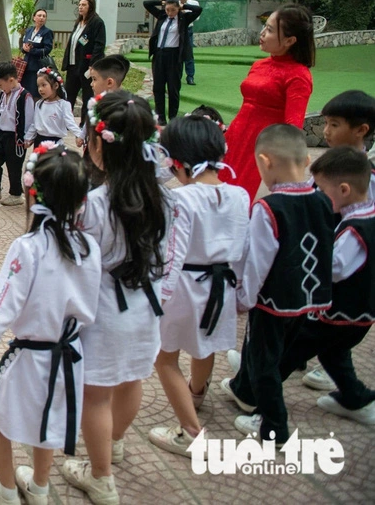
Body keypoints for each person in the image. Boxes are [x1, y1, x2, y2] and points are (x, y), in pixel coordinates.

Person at [0, 147, 102, 505]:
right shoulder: (89, 246)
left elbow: (1, 308)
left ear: (32, 192)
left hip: (31, 355)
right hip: (71, 355)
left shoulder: (28, 247)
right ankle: (39, 486)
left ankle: (7, 491)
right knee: (48, 421)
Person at [61, 91, 171, 504]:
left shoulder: (91, 205)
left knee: (97, 395)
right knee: (132, 380)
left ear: (95, 144)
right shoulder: (166, 199)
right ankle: (116, 440)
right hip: (147, 307)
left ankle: (101, 475)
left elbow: (77, 264)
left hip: (105, 313)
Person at [219, 124, 335, 442]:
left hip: (273, 302)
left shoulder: (269, 208)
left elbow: (256, 262)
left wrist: (244, 298)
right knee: (282, 353)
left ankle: (274, 425)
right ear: (307, 159)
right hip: (313, 298)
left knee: (263, 358)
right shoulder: (324, 200)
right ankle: (244, 390)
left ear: (266, 162)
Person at [148, 116, 249, 457]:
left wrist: (159, 296)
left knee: (165, 359)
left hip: (185, 285)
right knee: (204, 346)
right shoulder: (239, 194)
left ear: (176, 162)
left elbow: (172, 253)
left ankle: (190, 432)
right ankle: (196, 393)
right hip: (223, 285)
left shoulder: (180, 199)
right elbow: (244, 246)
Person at [273, 147, 375, 425]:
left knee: (291, 349)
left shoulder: (356, 228)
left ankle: (257, 397)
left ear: (343, 190)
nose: (318, 194)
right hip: (359, 314)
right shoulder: (368, 215)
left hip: (337, 313)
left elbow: (335, 269)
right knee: (334, 353)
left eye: (322, 189)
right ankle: (356, 397)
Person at [223, 4, 315, 202]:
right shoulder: (259, 65)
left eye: (270, 30)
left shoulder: (298, 75)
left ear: (290, 40)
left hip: (262, 148)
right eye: (265, 27)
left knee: (241, 201)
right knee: (220, 194)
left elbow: (293, 127)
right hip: (236, 138)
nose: (263, 33)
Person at [0, 62, 34, 207]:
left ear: (11, 80)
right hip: (2, 134)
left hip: (16, 138)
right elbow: (0, 112)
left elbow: (29, 119)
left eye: (0, 84)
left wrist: (28, 137)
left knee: (14, 166)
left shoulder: (25, 96)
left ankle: (16, 194)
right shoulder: (5, 94)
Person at [143, 0, 203, 124]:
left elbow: (198, 9)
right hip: (159, 54)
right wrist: (162, 2)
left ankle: (173, 116)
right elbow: (146, 3)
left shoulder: (183, 19)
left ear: (178, 9)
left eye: (173, 10)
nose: (170, 13)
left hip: (174, 55)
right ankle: (160, 116)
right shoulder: (162, 16)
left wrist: (183, 6)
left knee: (173, 87)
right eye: (168, 10)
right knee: (158, 87)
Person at [61, 0, 107, 124]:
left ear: (90, 6)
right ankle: (66, 122)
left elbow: (99, 45)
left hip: (86, 66)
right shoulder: (79, 22)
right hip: (73, 64)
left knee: (87, 95)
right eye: (79, 5)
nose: (80, 7)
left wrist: (93, 65)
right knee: (68, 94)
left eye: (84, 5)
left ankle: (85, 123)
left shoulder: (97, 22)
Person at [24, 68, 83, 146]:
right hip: (39, 142)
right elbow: (35, 124)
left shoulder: (63, 105)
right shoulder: (39, 103)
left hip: (55, 144)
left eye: (44, 85)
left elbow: (70, 123)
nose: (40, 89)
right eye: (38, 86)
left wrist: (80, 135)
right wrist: (27, 138)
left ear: (55, 85)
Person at [20, 8, 54, 99]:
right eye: (39, 15)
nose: (41, 18)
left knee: (34, 92)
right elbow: (23, 45)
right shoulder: (29, 30)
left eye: (44, 16)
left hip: (37, 66)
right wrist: (24, 48)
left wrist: (32, 51)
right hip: (26, 65)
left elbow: (47, 49)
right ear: (34, 17)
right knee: (24, 91)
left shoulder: (47, 32)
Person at [177, 0, 200, 85]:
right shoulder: (175, 3)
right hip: (177, 30)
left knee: (188, 53)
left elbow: (197, 17)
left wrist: (185, 10)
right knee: (178, 54)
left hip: (188, 29)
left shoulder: (194, 3)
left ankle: (190, 76)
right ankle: (178, 76)